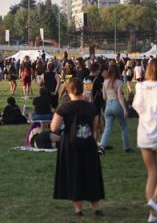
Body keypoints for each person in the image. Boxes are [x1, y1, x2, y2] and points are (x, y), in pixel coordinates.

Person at [51, 77, 104, 217]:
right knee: (91, 174)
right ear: (82, 89)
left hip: (70, 144)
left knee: (74, 174)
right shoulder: (91, 107)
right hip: (88, 142)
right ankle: (96, 207)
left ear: (68, 91)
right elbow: (95, 127)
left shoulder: (64, 107)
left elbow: (54, 127)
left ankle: (78, 209)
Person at [133, 58, 157, 222]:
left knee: (152, 173)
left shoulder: (140, 87)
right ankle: (154, 201)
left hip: (144, 134)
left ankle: (153, 215)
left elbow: (137, 107)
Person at [99, 64, 131, 152]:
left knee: (107, 128)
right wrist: (124, 109)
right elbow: (120, 97)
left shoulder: (105, 82)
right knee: (124, 127)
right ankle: (127, 148)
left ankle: (102, 146)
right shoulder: (119, 82)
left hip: (108, 105)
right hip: (117, 104)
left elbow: (104, 97)